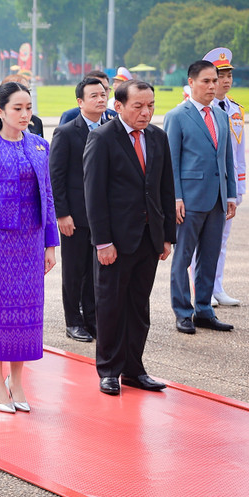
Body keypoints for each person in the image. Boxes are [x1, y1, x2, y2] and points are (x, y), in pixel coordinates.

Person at [0, 82, 58, 413]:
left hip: (31, 241)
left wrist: (51, 243)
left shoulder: (39, 146)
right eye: (17, 108)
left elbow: (47, 195)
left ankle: (17, 381)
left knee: (27, 316)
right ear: (0, 111)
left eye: (28, 108)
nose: (24, 114)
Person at [84, 80, 176, 396]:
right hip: (115, 243)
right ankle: (109, 371)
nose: (146, 112)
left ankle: (134, 370)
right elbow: (94, 195)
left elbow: (165, 188)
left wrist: (167, 237)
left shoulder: (158, 138)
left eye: (150, 105)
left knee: (139, 308)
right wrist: (102, 242)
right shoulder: (102, 139)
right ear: (119, 106)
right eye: (138, 106)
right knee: (110, 307)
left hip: (148, 240)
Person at [165, 60, 237, 335]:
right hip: (189, 201)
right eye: (206, 81)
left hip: (217, 200)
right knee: (182, 258)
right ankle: (183, 312)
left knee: (209, 258)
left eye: (214, 81)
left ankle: (204, 310)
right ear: (191, 82)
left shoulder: (221, 115)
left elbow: (226, 158)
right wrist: (176, 198)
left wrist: (230, 194)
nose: (212, 86)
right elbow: (171, 162)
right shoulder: (178, 116)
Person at [49, 76, 109, 343]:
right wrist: (62, 213)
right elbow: (56, 176)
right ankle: (73, 321)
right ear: (80, 102)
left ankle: (92, 319)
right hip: (74, 214)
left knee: (96, 270)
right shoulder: (66, 132)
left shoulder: (112, 127)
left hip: (103, 215)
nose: (100, 99)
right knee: (74, 271)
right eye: (94, 96)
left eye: (103, 94)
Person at [205, 47, 247, 307]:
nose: (226, 80)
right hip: (204, 186)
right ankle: (202, 289)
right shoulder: (196, 110)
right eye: (220, 74)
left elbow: (239, 152)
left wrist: (239, 187)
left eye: (229, 74)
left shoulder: (235, 110)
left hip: (227, 185)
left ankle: (216, 286)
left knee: (221, 240)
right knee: (200, 244)